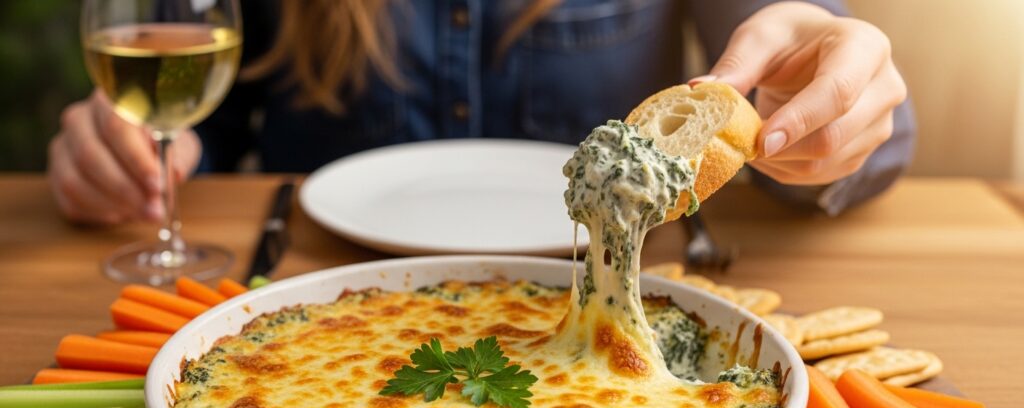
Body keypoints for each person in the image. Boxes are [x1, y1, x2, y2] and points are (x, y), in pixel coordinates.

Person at [48, 0, 912, 224]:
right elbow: (197, 116)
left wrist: (830, 114)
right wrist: (133, 149)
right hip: (320, 295)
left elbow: (824, 90)